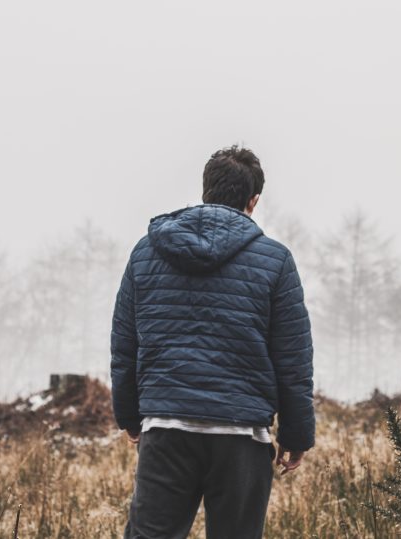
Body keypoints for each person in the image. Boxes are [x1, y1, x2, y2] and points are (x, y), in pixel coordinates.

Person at [111, 144, 315, 539]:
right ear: (253, 201)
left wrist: (130, 416)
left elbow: (125, 344)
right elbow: (292, 359)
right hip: (241, 435)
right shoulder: (276, 261)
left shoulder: (146, 252)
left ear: (207, 190)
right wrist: (296, 435)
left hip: (166, 427)